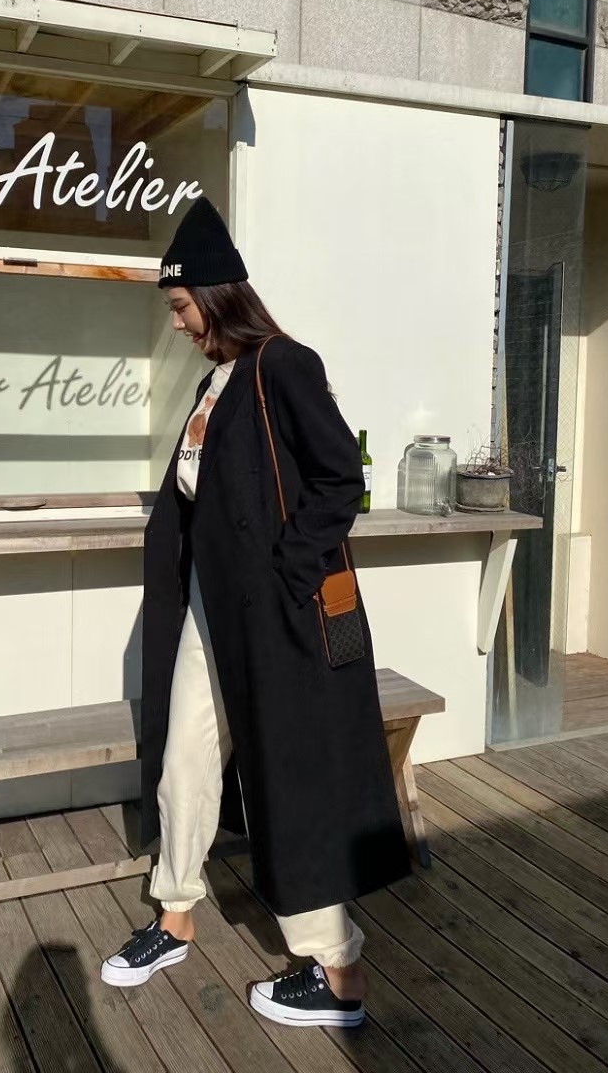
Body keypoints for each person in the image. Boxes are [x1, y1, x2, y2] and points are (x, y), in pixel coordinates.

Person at [100, 197, 410, 1027]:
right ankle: (174, 914)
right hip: (213, 610)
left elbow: (341, 479)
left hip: (277, 614)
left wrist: (288, 573)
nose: (176, 324)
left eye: (180, 307)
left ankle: (337, 970)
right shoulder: (217, 382)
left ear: (215, 295)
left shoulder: (284, 366)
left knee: (288, 776)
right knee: (184, 759)